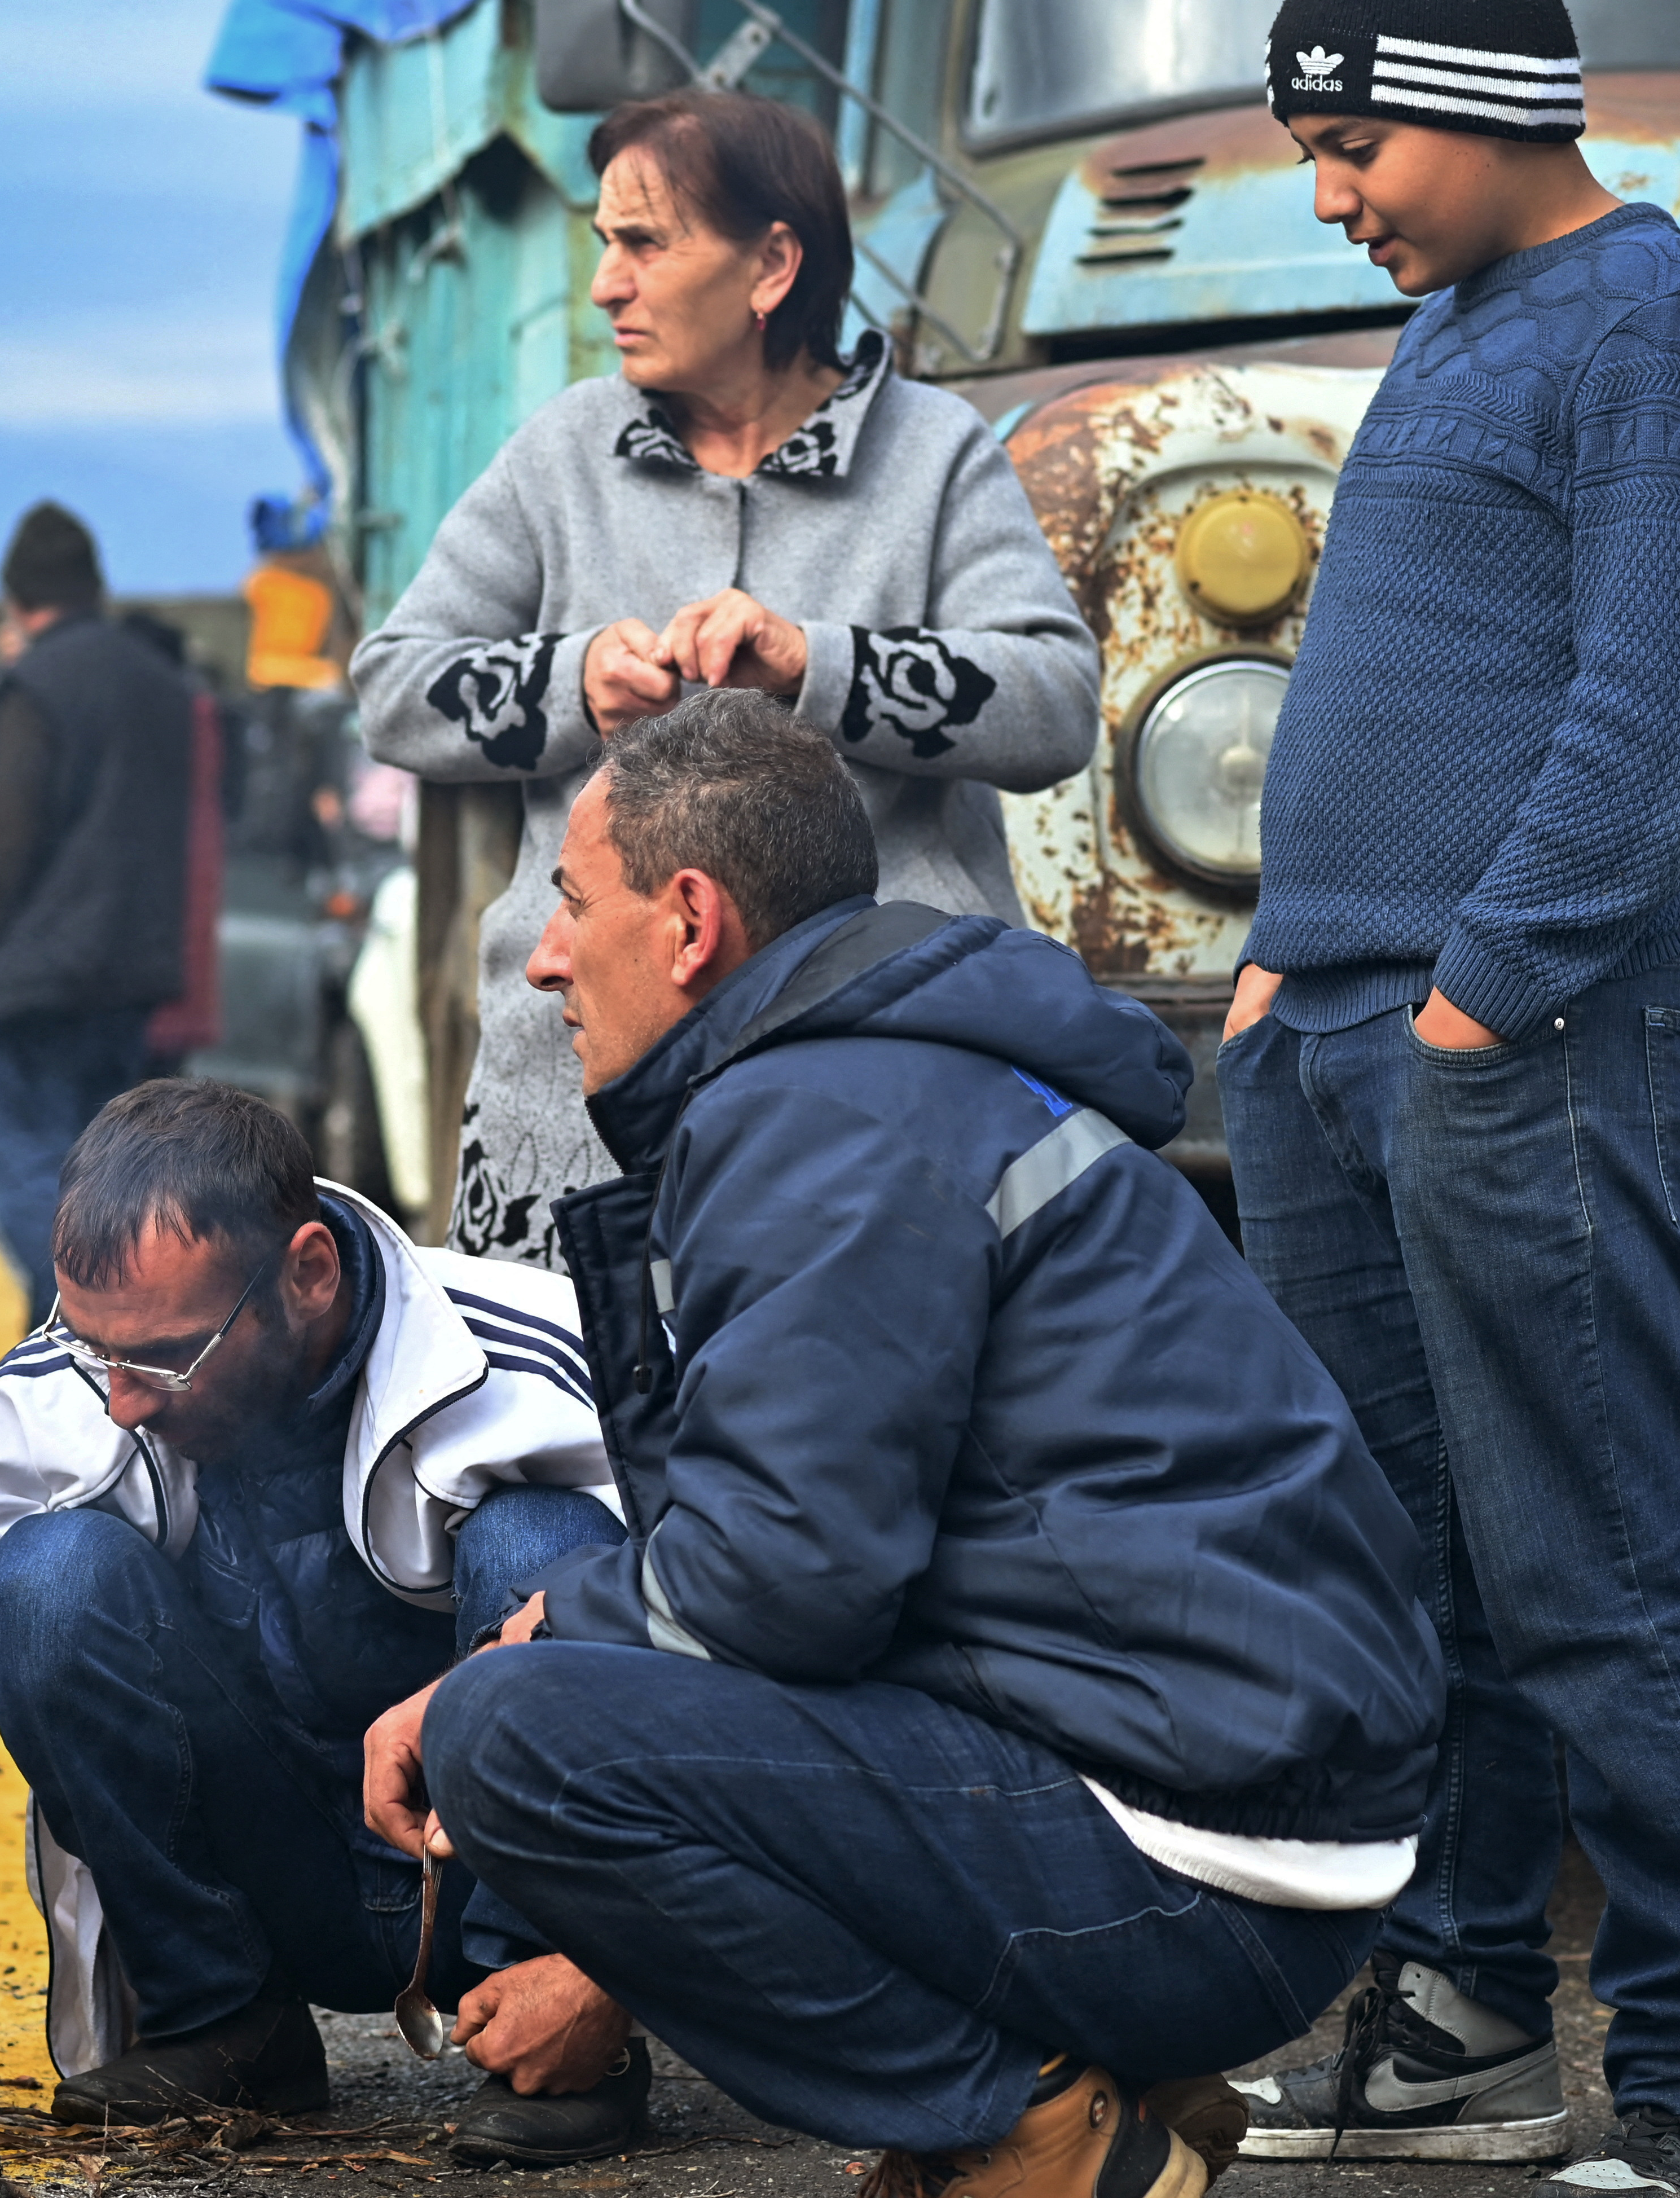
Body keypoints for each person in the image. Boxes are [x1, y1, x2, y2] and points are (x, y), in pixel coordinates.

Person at [362, 692, 1446, 2198]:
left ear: (689, 921)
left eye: (572, 901)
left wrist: (534, 1638)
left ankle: (1027, 2133)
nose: (545, 957)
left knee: (514, 1735)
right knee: (584, 1683)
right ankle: (1077, 2081)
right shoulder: (888, 1077)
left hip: (1193, 1858)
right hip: (1237, 1810)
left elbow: (785, 1579)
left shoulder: (821, 1115)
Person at [1212, 6, 1680, 2191]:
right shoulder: (1462, 315)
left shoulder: (1650, 324)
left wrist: (1473, 995)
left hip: (1522, 1038)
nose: (1325, 193)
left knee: (1594, 1550)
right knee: (1401, 1553)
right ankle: (1459, 2011)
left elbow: (1658, 729)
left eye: (1352, 140)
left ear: (1485, 109)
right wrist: (1284, 965)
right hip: (1334, 1027)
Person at [0, 1082, 640, 2158]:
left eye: (166, 1355)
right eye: (97, 1349)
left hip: (491, 1867)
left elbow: (747, 1595)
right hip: (276, 1869)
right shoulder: (71, 1386)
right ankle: (225, 2023)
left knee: (545, 1543)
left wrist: (613, 1962)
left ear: (308, 1273)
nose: (121, 1399)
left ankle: (558, 2022)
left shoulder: (540, 1352)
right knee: (44, 1579)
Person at [352, 87, 1098, 1274]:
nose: (605, 285)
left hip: (881, 1071)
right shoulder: (563, 453)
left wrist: (816, 664)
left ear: (771, 266)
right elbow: (394, 687)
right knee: (568, 1380)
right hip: (577, 1088)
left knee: (856, 1370)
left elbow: (1055, 702)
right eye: (604, 244)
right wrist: (576, 685)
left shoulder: (933, 451)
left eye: (643, 244)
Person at [0, 502, 195, 1315]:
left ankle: (68, 1322)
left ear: (16, 597)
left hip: (38, 979)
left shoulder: (32, 688)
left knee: (31, 1164)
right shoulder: (161, 685)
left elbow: (3, 843)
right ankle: (116, 1329)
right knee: (113, 1176)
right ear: (94, 587)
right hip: (133, 973)